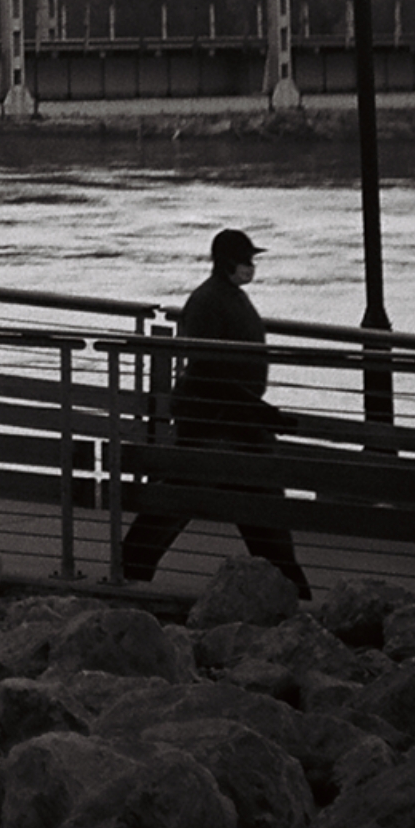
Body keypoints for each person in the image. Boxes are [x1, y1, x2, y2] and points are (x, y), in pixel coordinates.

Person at [122, 229, 310, 599]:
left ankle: (294, 591)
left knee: (257, 513)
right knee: (198, 501)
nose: (252, 267)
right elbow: (207, 370)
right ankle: (132, 564)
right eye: (247, 260)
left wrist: (258, 411)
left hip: (238, 423)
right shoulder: (209, 302)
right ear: (228, 262)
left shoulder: (226, 298)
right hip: (219, 424)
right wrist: (262, 411)